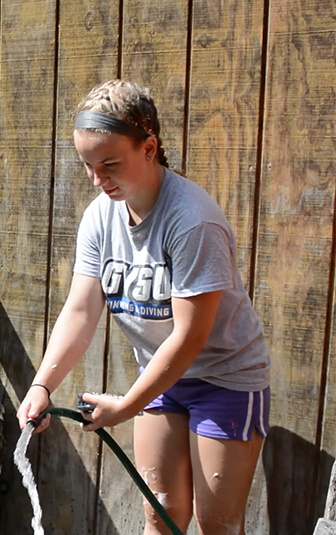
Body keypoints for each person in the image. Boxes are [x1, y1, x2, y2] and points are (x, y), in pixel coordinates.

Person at [16, 79, 271, 535]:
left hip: (225, 381)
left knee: (217, 523)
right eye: (89, 166)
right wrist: (42, 385)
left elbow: (191, 337)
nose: (98, 179)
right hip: (162, 380)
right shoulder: (100, 216)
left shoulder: (192, 221)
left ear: (149, 147)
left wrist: (127, 406)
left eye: (110, 164)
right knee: (162, 512)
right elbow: (80, 310)